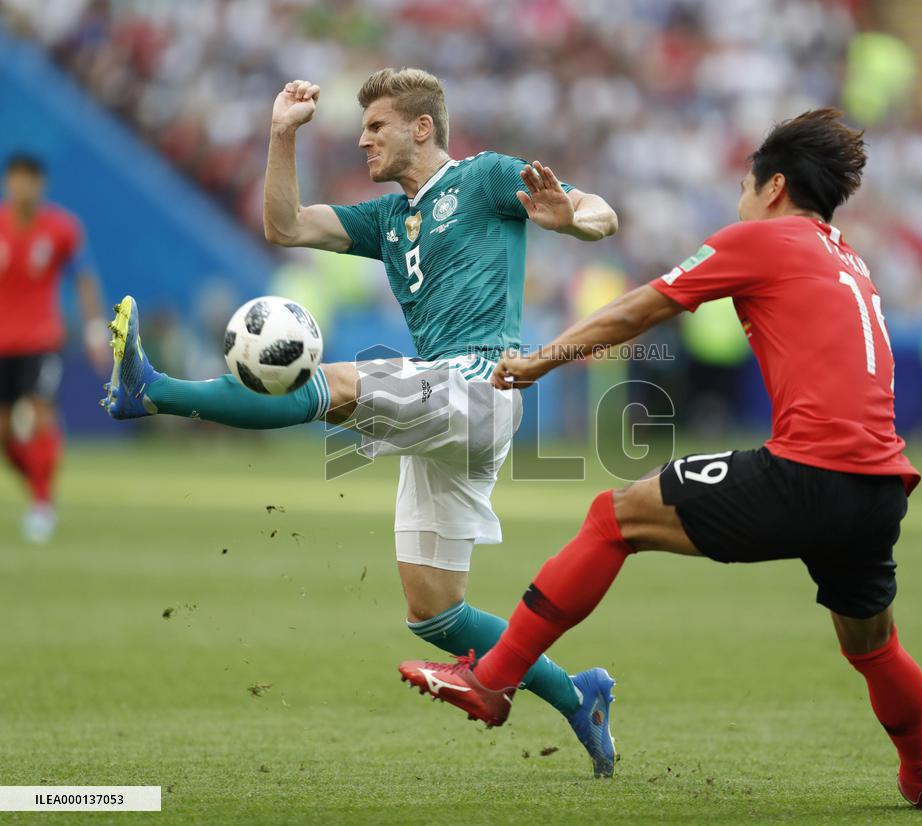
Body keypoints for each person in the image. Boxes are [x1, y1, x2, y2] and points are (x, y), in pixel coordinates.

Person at [398, 109, 922, 809]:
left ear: (774, 186)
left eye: (746, 188)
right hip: (879, 487)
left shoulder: (764, 239)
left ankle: (492, 680)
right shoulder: (848, 256)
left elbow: (640, 309)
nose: (740, 202)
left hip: (810, 471)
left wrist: (539, 362)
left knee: (613, 517)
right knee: (873, 647)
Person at [102, 68, 622, 776]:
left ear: (421, 127)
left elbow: (602, 212)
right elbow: (285, 225)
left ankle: (154, 392)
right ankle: (578, 695)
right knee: (435, 614)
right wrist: (282, 136)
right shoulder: (385, 219)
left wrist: (574, 220)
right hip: (446, 405)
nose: (361, 138)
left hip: (480, 382)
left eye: (375, 125)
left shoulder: (486, 179)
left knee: (334, 384)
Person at [0, 154, 106, 543]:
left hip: (41, 339)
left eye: (29, 180)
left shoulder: (61, 228)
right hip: (2, 342)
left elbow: (85, 279)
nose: (21, 187)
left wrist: (96, 330)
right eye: (15, 179)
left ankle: (42, 504)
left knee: (41, 413)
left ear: (40, 185)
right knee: (5, 434)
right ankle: (37, 484)